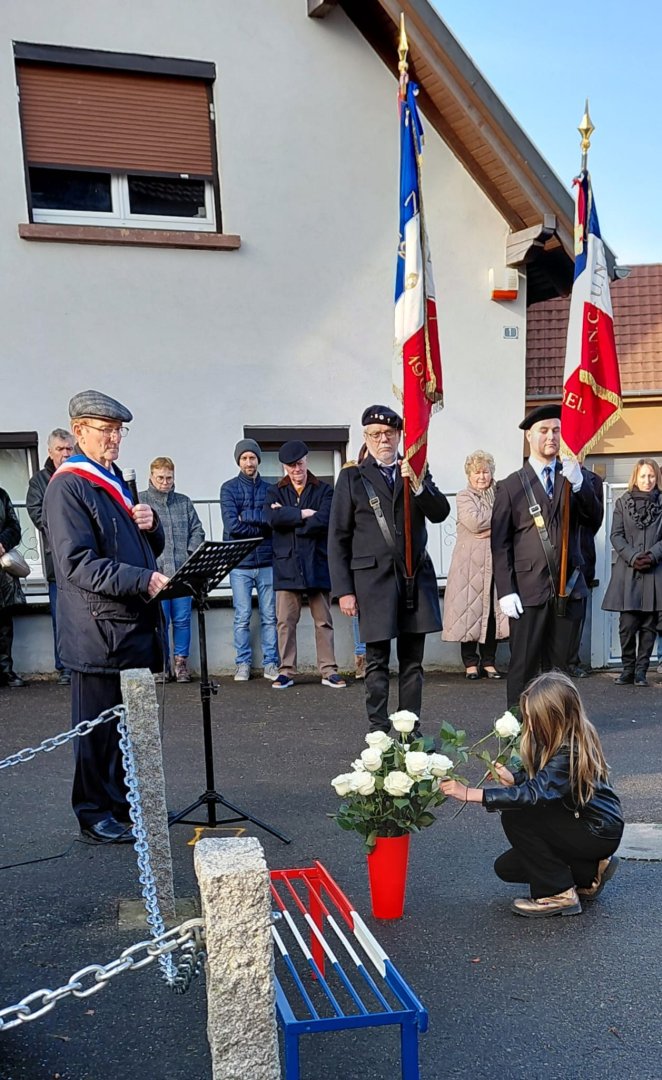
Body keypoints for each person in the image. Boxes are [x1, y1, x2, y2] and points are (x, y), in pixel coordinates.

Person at [42, 391, 168, 843]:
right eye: (106, 430)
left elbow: (140, 548)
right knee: (96, 731)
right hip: (96, 630)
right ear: (79, 431)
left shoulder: (112, 479)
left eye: (119, 430)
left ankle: (121, 804)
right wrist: (142, 579)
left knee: (123, 729)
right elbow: (76, 563)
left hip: (127, 625)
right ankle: (94, 813)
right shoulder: (69, 486)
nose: (115, 438)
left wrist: (152, 527)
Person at [441, 671, 624, 919]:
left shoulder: (569, 750)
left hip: (596, 830)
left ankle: (558, 894)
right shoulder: (565, 736)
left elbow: (534, 795)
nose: (529, 724)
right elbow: (549, 784)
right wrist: (515, 779)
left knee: (516, 814)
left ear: (552, 717)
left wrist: (470, 794)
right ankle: (589, 872)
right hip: (585, 823)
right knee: (508, 868)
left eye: (533, 718)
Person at [328, 405, 450, 733]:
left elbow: (440, 512)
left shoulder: (415, 470)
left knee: (412, 663)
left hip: (414, 578)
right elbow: (338, 537)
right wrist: (344, 590)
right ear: (366, 438)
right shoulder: (352, 477)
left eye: (389, 433)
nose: (383, 439)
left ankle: (409, 731)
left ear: (399, 436)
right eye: (376, 434)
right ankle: (378, 732)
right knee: (377, 662)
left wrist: (419, 485)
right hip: (373, 582)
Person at [491, 404, 603, 709]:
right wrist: (505, 590)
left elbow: (594, 521)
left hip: (569, 586)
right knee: (524, 666)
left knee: (560, 672)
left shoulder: (576, 479)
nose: (551, 436)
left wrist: (579, 485)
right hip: (527, 590)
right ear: (529, 436)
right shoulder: (511, 486)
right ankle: (518, 727)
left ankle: (559, 728)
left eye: (556, 430)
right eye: (544, 430)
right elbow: (500, 543)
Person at [264, 440, 345, 689]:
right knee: (285, 622)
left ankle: (328, 670)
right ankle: (286, 671)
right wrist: (302, 513)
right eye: (291, 465)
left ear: (306, 461)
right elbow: (272, 519)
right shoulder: (274, 491)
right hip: (287, 565)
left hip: (317, 562)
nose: (296, 469)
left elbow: (326, 519)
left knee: (323, 621)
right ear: (284, 467)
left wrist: (289, 518)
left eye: (299, 463)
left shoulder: (325, 490)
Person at [441, 450, 508, 679]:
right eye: (477, 472)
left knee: (492, 613)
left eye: (485, 472)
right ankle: (470, 663)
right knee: (469, 612)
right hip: (469, 566)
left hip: (496, 563)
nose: (481, 477)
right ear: (469, 475)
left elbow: (512, 519)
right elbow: (475, 522)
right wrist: (498, 523)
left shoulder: (501, 494)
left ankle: (489, 662)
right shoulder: (464, 496)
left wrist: (494, 527)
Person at [139, 456, 205, 683]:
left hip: (181, 572)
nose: (165, 482)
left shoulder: (184, 502)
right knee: (160, 622)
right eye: (160, 478)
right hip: (155, 573)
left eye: (169, 478)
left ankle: (181, 663)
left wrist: (189, 553)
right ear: (151, 477)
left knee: (182, 620)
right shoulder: (142, 501)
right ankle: (161, 666)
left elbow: (197, 530)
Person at [220, 439, 279, 682]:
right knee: (242, 617)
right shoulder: (228, 489)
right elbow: (232, 526)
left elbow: (273, 521)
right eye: (244, 458)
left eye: (252, 457)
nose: (248, 462)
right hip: (240, 564)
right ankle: (242, 664)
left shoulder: (271, 489)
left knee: (270, 617)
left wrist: (247, 517)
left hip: (266, 562)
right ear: (238, 461)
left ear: (258, 460)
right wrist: (260, 526)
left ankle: (271, 663)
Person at [602, 458, 662, 687]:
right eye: (643, 476)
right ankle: (627, 668)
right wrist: (634, 556)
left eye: (651, 476)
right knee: (627, 625)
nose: (647, 480)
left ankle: (641, 672)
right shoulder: (622, 502)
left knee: (649, 625)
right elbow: (616, 535)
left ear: (657, 478)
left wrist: (653, 555)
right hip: (628, 571)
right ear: (636, 477)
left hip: (655, 572)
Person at [26, 428, 75, 685]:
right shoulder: (39, 481)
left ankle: (83, 664)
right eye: (60, 449)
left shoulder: (81, 474)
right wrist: (68, 525)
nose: (65, 454)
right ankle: (64, 666)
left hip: (85, 560)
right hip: (57, 561)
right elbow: (37, 514)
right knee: (61, 617)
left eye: (69, 448)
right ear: (50, 451)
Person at [568, 462, 604, 678]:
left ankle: (572, 660)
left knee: (577, 611)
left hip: (583, 552)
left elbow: (595, 518)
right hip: (556, 553)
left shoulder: (593, 480)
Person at [0, 487, 27, 688]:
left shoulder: (1, 495)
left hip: (1, 571)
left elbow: (14, 527)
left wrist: (3, 543)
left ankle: (5, 671)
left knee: (3, 624)